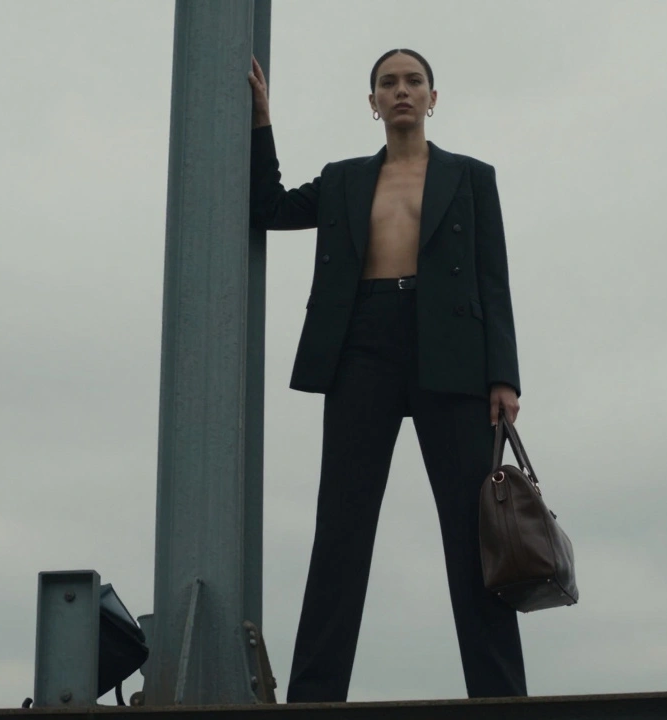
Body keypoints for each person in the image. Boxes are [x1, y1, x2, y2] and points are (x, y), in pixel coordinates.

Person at [247, 48, 526, 703]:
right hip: (362, 345)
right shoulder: (344, 179)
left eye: (413, 81)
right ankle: (314, 698)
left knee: (473, 533)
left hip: (451, 353)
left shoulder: (470, 177)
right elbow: (269, 207)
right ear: (372, 102)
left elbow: (494, 279)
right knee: (341, 528)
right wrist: (262, 122)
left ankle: (504, 700)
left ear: (433, 96)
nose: (401, 91)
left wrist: (503, 377)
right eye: (388, 83)